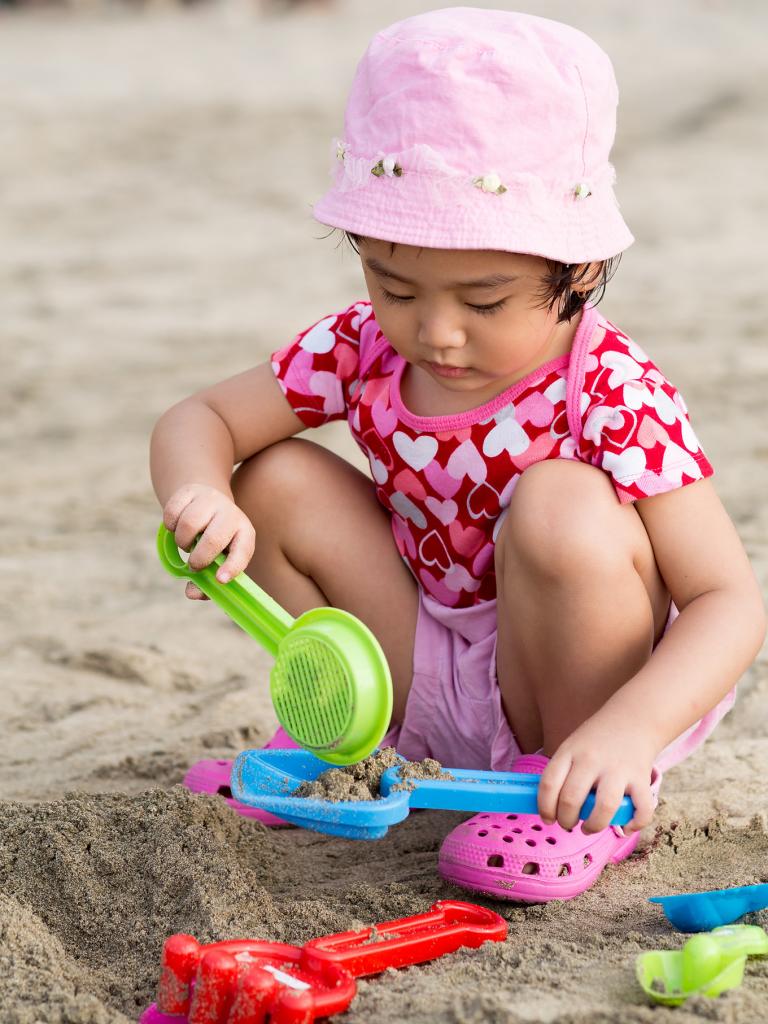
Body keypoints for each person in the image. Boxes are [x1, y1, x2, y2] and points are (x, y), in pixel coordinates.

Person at [150, 8, 765, 902]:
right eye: (395, 286)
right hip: (419, 655)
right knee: (273, 478)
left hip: (568, 683)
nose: (435, 332)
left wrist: (629, 728)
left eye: (484, 300)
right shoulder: (361, 347)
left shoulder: (609, 388)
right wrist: (199, 495)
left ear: (580, 269)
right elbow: (200, 416)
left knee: (560, 504)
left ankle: (576, 798)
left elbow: (729, 601)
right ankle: (356, 741)